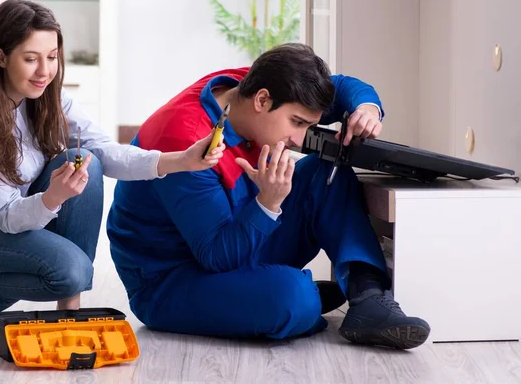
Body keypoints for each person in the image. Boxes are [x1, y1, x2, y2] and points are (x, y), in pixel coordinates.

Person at [107, 43, 430, 350]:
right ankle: (280, 294)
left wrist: (366, 109)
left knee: (326, 172)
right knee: (294, 298)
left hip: (238, 236)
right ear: (262, 101)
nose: (300, 138)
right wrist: (268, 203)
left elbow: (341, 86)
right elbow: (216, 256)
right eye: (297, 123)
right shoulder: (185, 140)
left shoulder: (254, 86)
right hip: (172, 279)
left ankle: (367, 297)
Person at [0, 0, 224, 337]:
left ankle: (68, 311)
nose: (45, 71)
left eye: (52, 57)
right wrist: (53, 198)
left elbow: (105, 150)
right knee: (72, 272)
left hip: (25, 215)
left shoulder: (46, 97)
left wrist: (182, 159)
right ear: (0, 57)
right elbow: (6, 215)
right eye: (30, 59)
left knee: (87, 160)